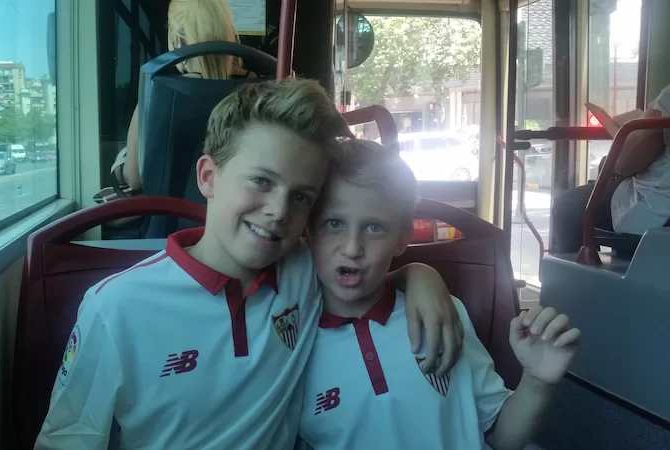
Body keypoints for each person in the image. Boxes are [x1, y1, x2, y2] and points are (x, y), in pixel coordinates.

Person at [36, 79, 465, 449]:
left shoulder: (304, 272)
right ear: (208, 176)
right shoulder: (116, 308)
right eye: (261, 181)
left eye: (301, 197)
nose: (279, 211)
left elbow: (362, 271)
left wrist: (420, 274)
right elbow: (68, 439)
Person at [298, 139, 581, 449]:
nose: (352, 248)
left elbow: (499, 435)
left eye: (374, 227)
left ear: (402, 238)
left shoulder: (445, 313)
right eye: (334, 223)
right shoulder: (290, 346)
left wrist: (538, 380)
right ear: (307, 231)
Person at [105, 0, 254, 199]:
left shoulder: (158, 91)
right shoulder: (261, 90)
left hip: (171, 222)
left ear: (177, 41)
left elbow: (135, 178)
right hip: (242, 218)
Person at [552, 84, 670, 253]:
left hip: (657, 204)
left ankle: (576, 273)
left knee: (566, 206)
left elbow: (626, 163)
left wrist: (620, 154)